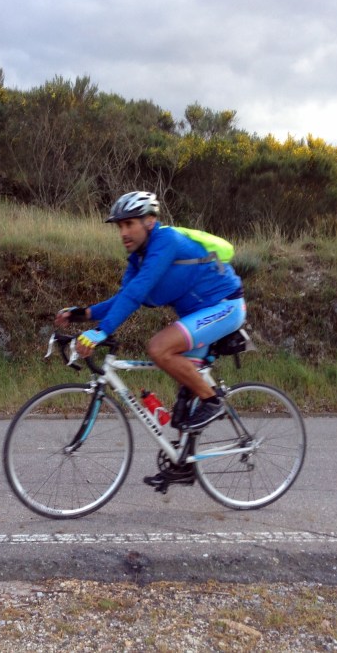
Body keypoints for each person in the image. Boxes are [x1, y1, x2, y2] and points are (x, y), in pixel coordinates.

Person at [55, 191, 246, 488]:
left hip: (225, 307)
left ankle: (213, 402)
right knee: (184, 400)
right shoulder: (138, 258)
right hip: (198, 315)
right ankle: (184, 465)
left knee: (159, 348)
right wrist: (82, 314)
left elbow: (138, 291)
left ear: (150, 221)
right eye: (120, 226)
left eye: (129, 224)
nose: (123, 232)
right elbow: (123, 297)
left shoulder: (166, 241)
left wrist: (100, 332)